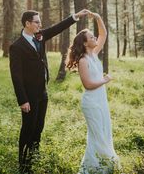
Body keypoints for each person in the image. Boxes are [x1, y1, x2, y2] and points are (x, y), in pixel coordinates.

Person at [9, 9, 89, 172]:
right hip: (29, 95)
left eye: (39, 22)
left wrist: (75, 17)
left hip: (42, 92)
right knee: (28, 128)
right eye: (37, 22)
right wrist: (22, 100)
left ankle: (34, 155)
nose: (40, 24)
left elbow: (57, 28)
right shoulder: (16, 47)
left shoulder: (40, 36)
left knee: (39, 127)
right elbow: (16, 76)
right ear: (28, 24)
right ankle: (24, 165)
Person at [67, 11, 120, 174]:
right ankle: (103, 167)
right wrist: (105, 80)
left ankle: (97, 167)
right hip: (91, 103)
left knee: (103, 133)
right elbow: (88, 84)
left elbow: (103, 33)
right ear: (84, 43)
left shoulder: (94, 54)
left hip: (101, 101)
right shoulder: (83, 60)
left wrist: (97, 17)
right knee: (98, 137)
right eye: (91, 37)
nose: (95, 38)